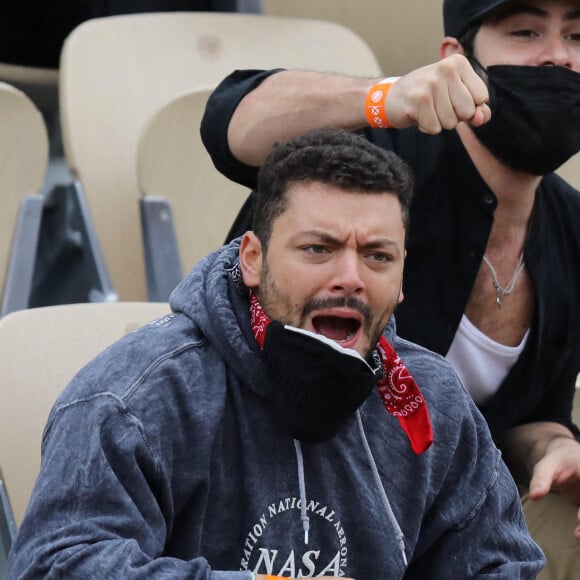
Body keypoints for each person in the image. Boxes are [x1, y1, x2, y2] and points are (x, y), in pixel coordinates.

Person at [7, 128, 543, 578]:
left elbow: (500, 565)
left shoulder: (432, 402)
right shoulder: (135, 397)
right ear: (252, 260)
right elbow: (61, 565)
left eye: (378, 256)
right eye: (319, 249)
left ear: (402, 280)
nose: (350, 278)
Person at [200, 1, 580, 576]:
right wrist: (383, 98)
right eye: (526, 32)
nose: (557, 55)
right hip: (268, 502)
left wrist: (556, 447)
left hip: (436, 526)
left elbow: (519, 417)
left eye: (579, 36)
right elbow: (230, 122)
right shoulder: (375, 164)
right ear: (458, 60)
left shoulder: (571, 229)